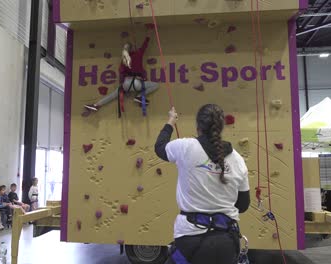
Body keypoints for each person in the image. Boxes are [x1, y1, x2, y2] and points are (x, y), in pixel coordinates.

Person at [155, 105, 250, 264]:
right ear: (221, 128)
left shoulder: (185, 147)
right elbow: (243, 205)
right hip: (226, 241)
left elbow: (159, 147)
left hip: (190, 239)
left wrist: (171, 121)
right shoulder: (238, 159)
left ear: (198, 126)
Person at [84, 36, 159, 112]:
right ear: (132, 49)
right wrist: (147, 38)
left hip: (126, 83)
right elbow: (144, 47)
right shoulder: (138, 54)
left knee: (113, 95)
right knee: (155, 85)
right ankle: (139, 96)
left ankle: (96, 105)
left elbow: (121, 73)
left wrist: (124, 87)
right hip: (137, 83)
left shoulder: (124, 60)